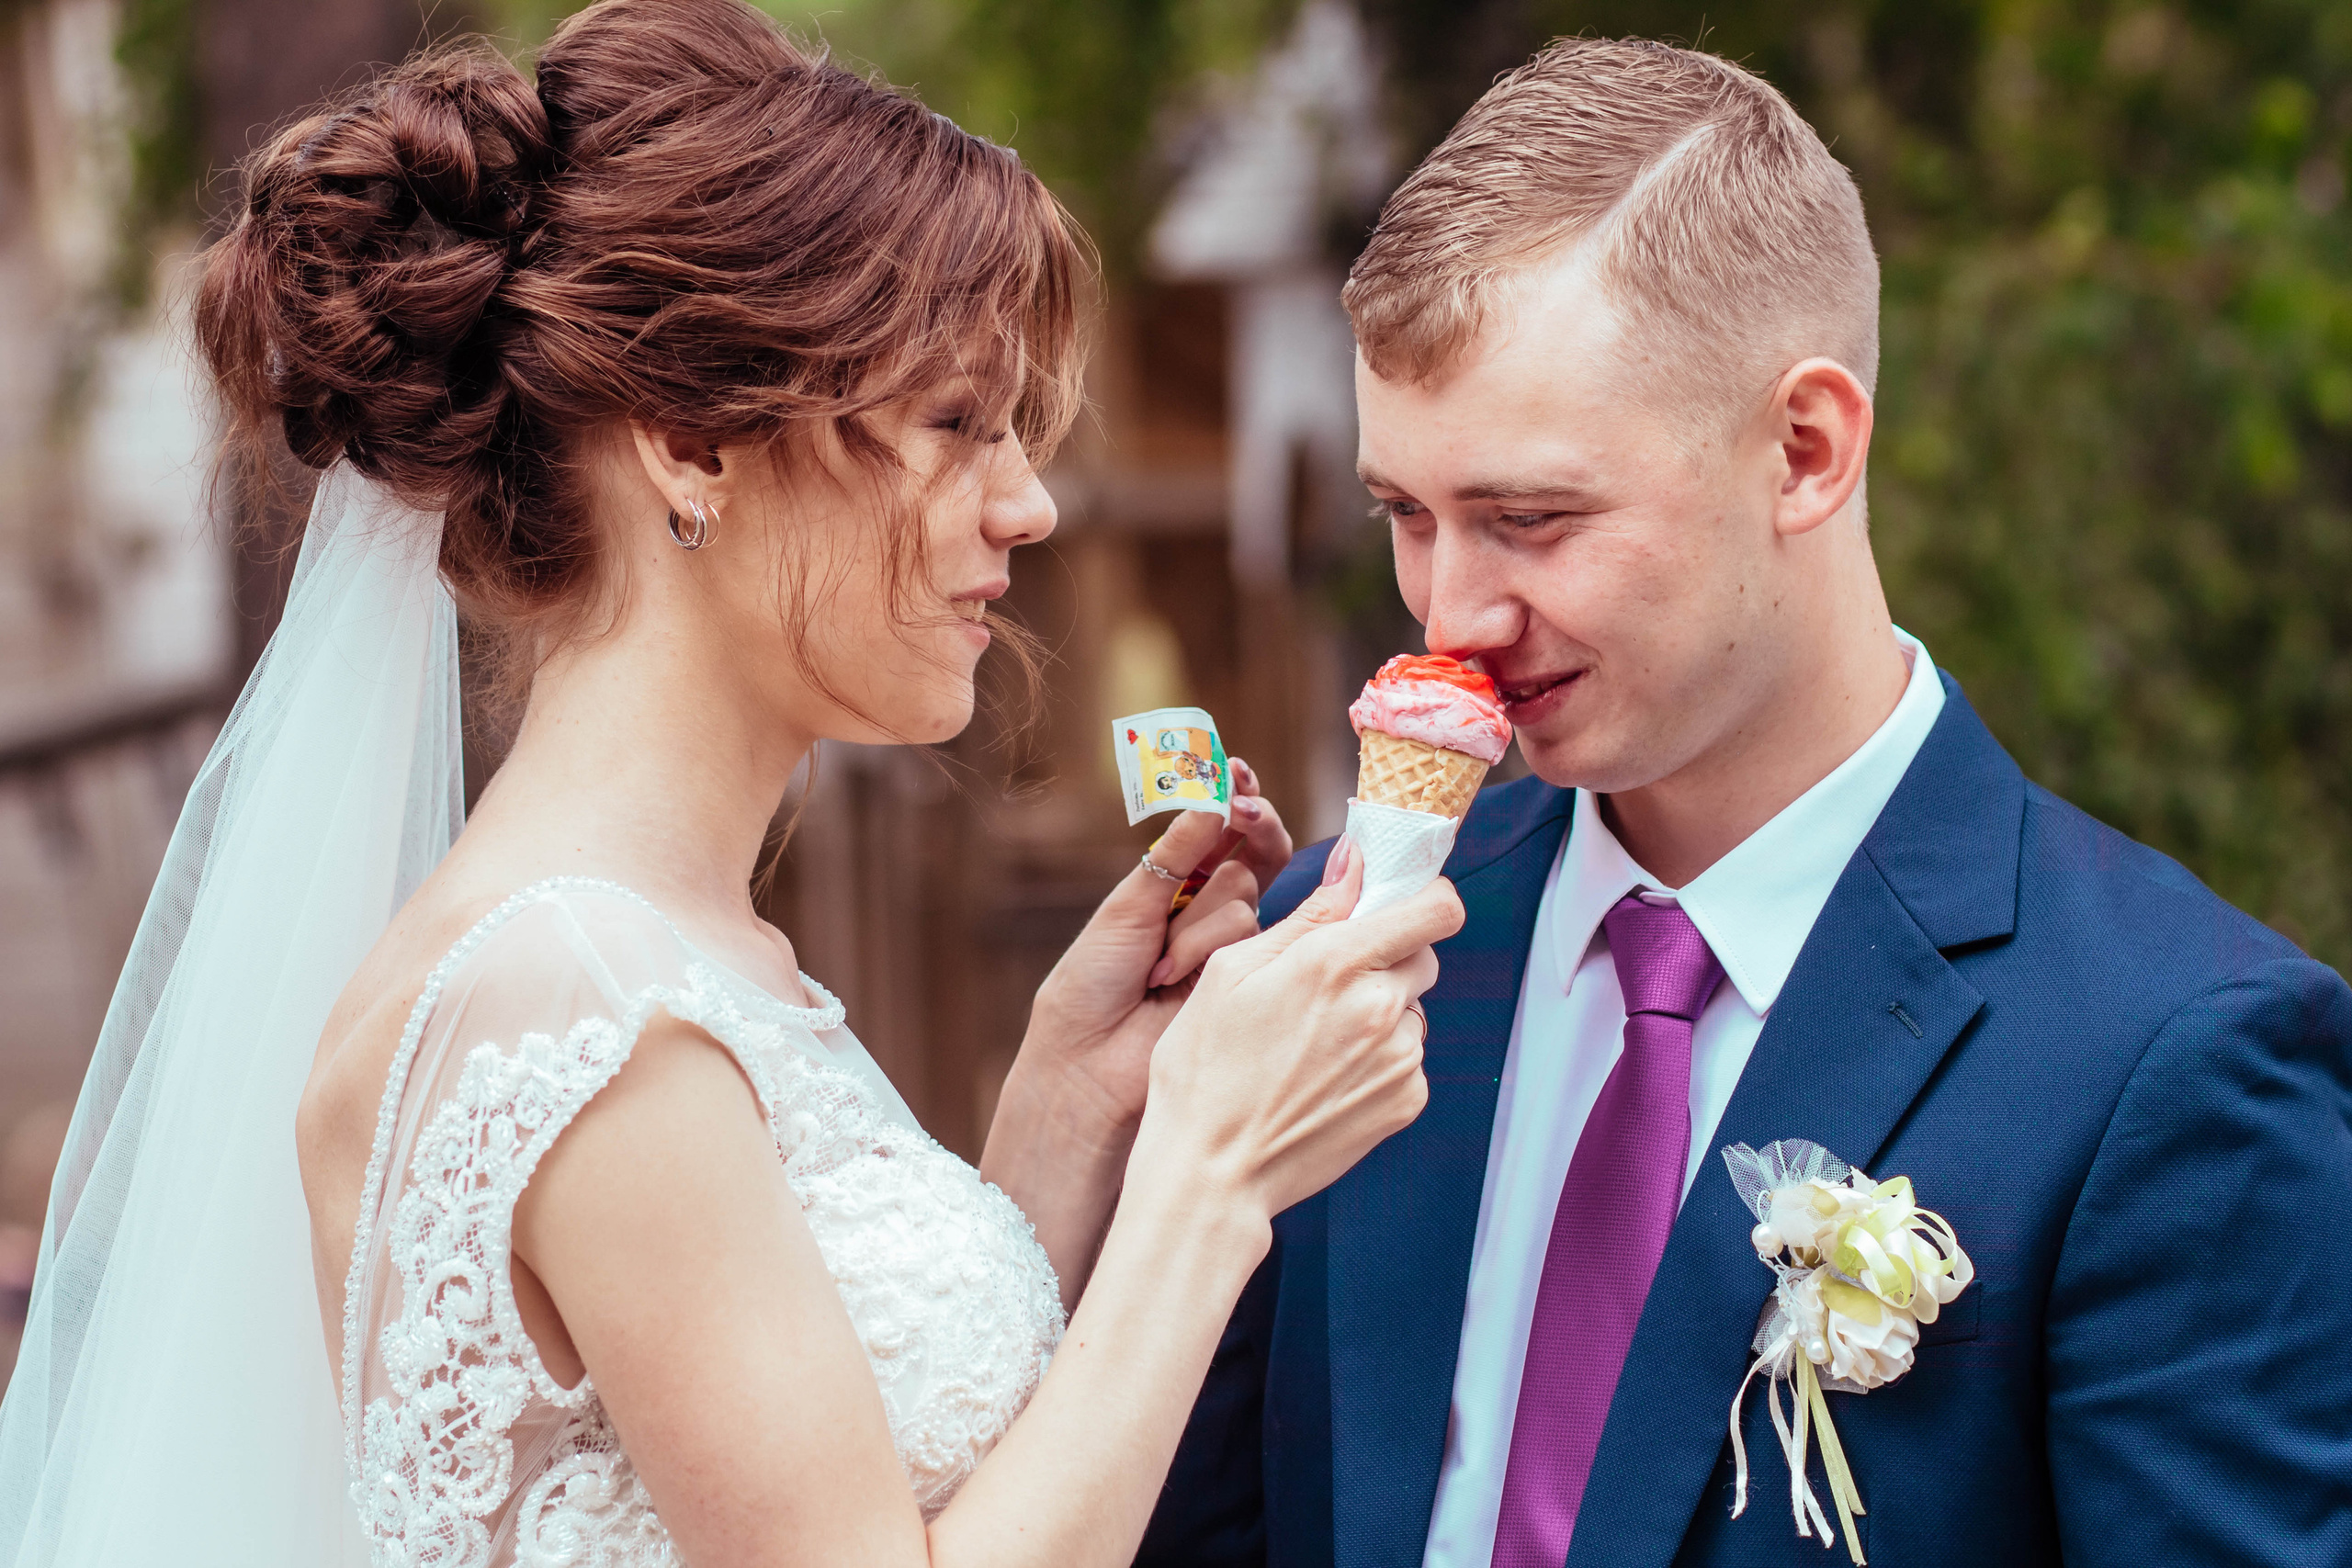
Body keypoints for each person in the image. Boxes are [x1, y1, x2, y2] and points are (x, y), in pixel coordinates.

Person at [0, 3, 1462, 1564]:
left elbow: (841, 1469)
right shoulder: (577, 1008)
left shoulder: (645, 957)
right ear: (693, 442)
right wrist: (1214, 1172)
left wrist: (1065, 1108)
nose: (1029, 505)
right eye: (955, 424)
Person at [1142, 36, 2352, 1568]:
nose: (1451, 613)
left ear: (1805, 449)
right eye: (1407, 515)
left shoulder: (2171, 1053)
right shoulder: (1342, 951)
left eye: (1532, 519)